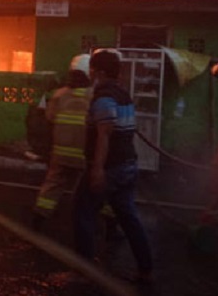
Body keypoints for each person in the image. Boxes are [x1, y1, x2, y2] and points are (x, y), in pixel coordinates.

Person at [73, 48, 153, 283]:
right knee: (128, 217)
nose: (90, 73)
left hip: (111, 167)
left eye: (92, 69)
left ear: (99, 71)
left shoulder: (104, 96)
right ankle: (146, 269)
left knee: (82, 211)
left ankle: (84, 271)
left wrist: (97, 169)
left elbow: (104, 134)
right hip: (129, 165)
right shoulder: (123, 94)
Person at [31, 54, 92, 229]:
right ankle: (102, 226)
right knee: (91, 190)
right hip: (83, 156)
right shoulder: (94, 96)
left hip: (60, 154)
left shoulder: (59, 95)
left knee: (51, 188)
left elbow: (49, 118)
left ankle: (38, 220)